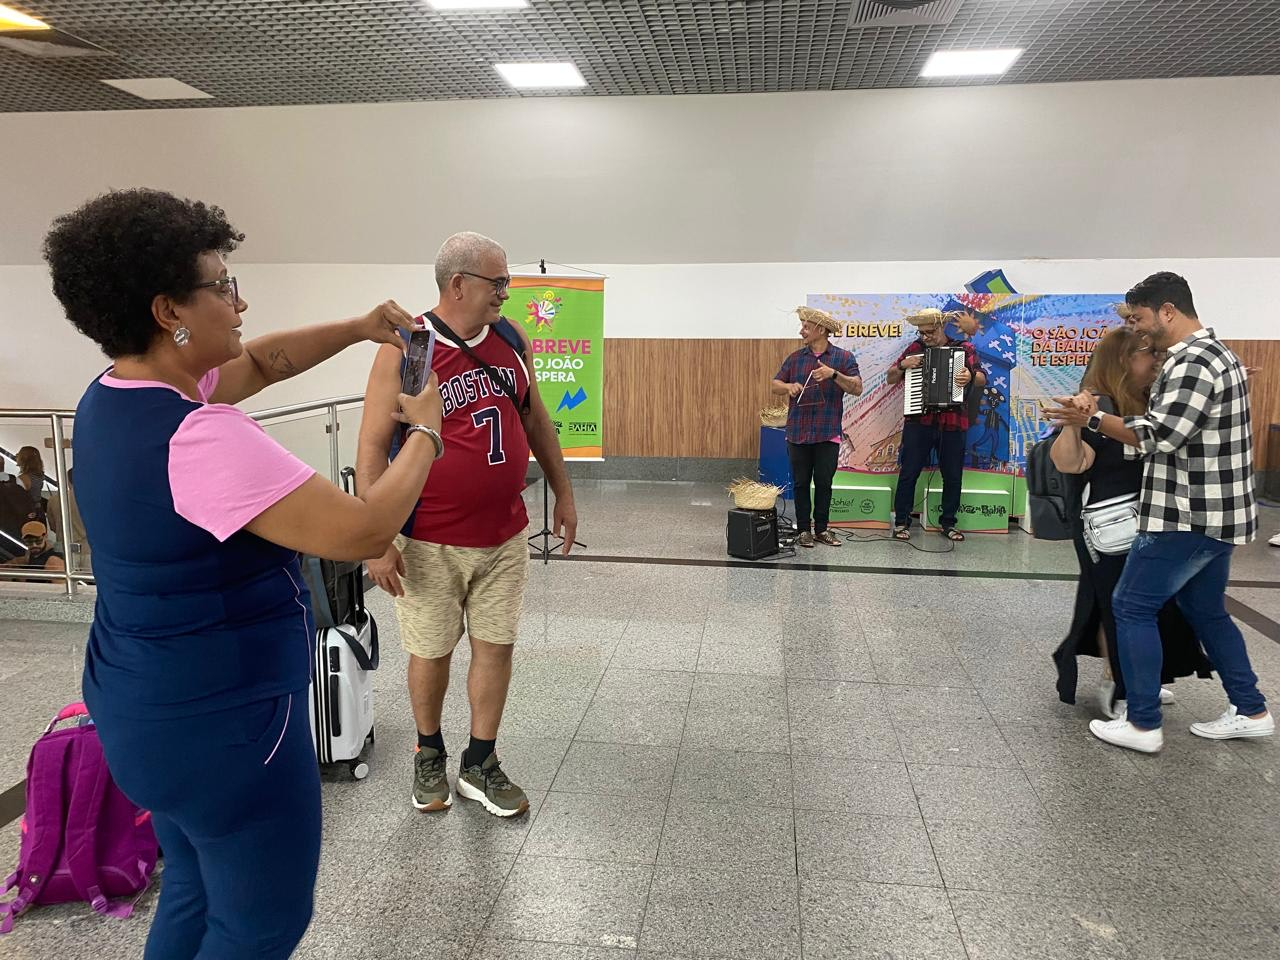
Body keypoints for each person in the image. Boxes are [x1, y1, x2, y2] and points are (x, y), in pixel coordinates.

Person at [43, 187, 443, 959]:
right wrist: (422, 430)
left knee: (194, 887)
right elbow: (363, 528)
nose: (240, 299)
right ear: (170, 311)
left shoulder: (113, 397)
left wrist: (362, 329)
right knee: (261, 924)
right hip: (225, 725)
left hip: (140, 704)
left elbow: (263, 360)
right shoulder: (202, 437)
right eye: (223, 284)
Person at [357, 231, 578, 818]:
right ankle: (429, 753)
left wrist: (563, 490)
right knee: (431, 653)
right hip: (428, 537)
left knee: (495, 646)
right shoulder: (409, 348)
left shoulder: (510, 338)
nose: (506, 291)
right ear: (458, 284)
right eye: (497, 281)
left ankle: (480, 762)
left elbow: (537, 420)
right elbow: (372, 448)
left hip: (504, 534)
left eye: (506, 281)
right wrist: (375, 539)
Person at [1047, 272, 1272, 753]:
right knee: (1206, 611)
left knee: (1130, 606)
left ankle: (1143, 723)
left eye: (1141, 318)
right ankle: (1250, 708)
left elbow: (1160, 436)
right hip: (1220, 518)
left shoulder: (1193, 361)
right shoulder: (1218, 355)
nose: (1139, 329)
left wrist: (1089, 417)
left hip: (1185, 516)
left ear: (1168, 310)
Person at [1048, 326, 1211, 718]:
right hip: (1110, 530)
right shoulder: (1099, 405)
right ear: (1122, 362)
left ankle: (1140, 680)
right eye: (1147, 355)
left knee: (1151, 605)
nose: (1156, 361)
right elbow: (1069, 463)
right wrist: (1074, 420)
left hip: (1154, 522)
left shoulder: (1156, 403)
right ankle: (1120, 684)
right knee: (1117, 606)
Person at [886, 308, 985, 542]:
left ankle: (948, 523)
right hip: (919, 421)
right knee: (909, 472)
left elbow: (982, 378)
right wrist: (902, 366)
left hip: (953, 422)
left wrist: (970, 375)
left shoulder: (964, 349)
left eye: (929, 332)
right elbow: (890, 378)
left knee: (952, 476)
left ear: (941, 327)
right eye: (921, 333)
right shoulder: (914, 350)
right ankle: (901, 522)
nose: (924, 337)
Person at [770, 306, 863, 548]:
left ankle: (822, 529)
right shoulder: (795, 358)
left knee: (824, 482)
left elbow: (857, 387)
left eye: (806, 327)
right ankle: (803, 530)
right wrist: (788, 387)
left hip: (827, 432)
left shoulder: (843, 358)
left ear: (820, 330)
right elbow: (775, 383)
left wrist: (834, 375)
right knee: (800, 483)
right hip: (798, 432)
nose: (802, 331)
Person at [0, 519, 65, 573]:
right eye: (29, 542)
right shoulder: (30, 553)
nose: (34, 545)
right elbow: (22, 560)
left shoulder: (54, 560)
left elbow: (60, 586)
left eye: (38, 541)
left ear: (45, 537)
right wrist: (9, 564)